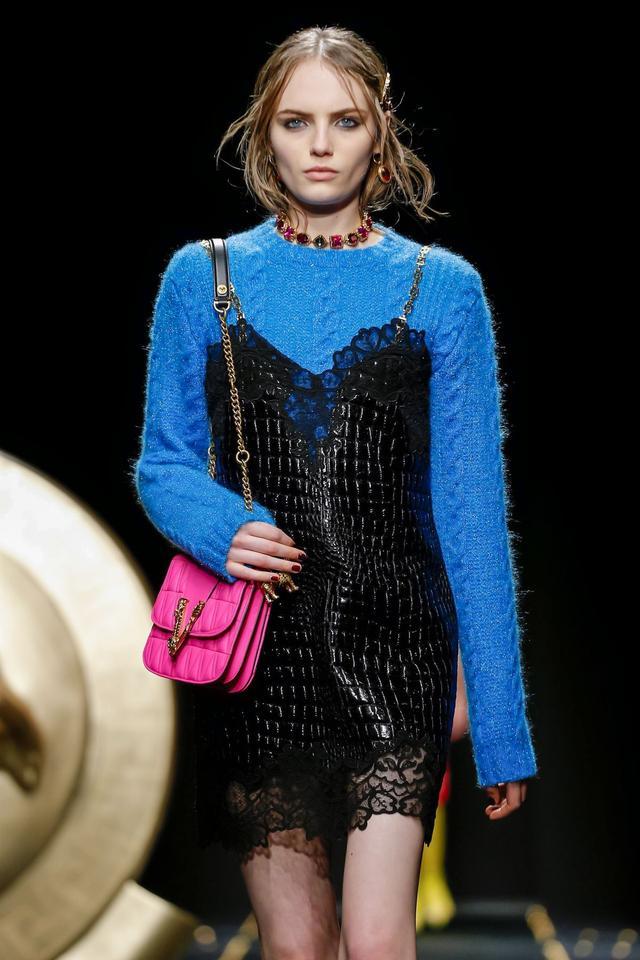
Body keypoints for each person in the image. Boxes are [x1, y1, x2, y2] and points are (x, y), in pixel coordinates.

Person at [131, 25, 539, 960]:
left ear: (379, 134)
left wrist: (503, 729)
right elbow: (162, 462)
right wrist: (223, 526)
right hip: (263, 658)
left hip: (398, 648)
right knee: (298, 948)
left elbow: (473, 518)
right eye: (297, 121)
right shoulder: (203, 277)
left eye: (345, 121)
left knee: (380, 939)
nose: (320, 144)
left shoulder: (442, 289)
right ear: (264, 135)